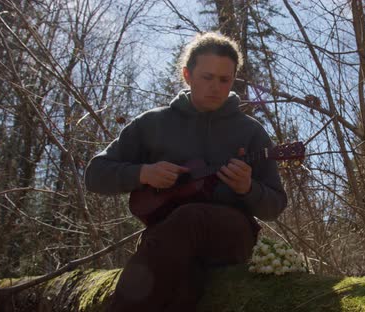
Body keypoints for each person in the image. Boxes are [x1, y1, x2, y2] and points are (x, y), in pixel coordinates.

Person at [84, 32, 288, 311]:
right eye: (207, 77)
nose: (216, 87)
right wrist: (143, 173)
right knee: (181, 292)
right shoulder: (153, 124)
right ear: (187, 75)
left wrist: (247, 188)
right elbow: (95, 174)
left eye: (224, 80)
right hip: (167, 241)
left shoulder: (250, 131)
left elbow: (275, 205)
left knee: (190, 217)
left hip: (232, 237)